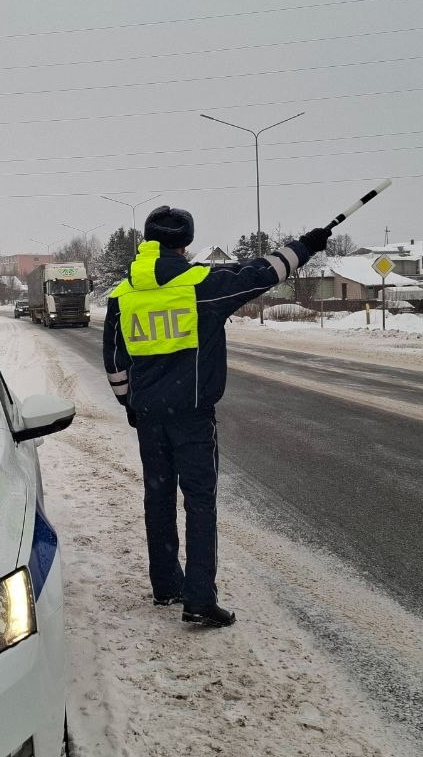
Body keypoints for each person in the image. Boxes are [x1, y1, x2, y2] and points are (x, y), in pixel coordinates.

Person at [102, 207, 330, 627]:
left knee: (158, 497)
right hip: (192, 417)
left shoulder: (123, 293)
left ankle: (166, 585)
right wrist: (307, 245)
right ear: (185, 242)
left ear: (148, 239)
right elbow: (263, 273)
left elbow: (115, 359)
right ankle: (199, 598)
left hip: (150, 417)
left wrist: (130, 405)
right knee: (200, 503)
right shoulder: (202, 286)